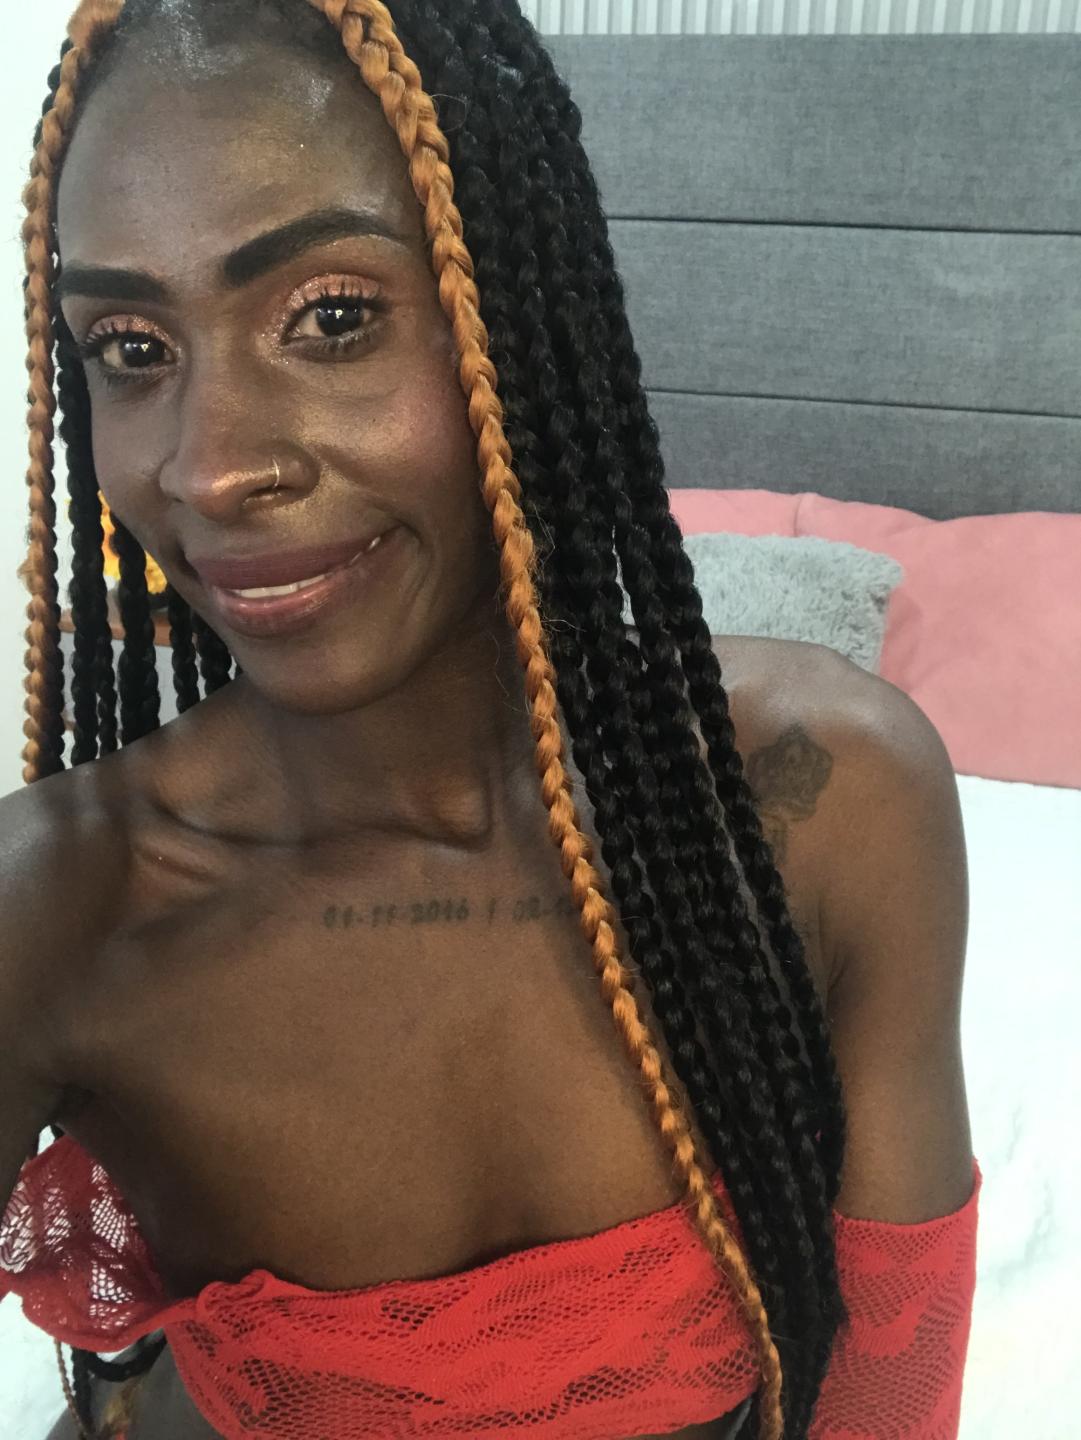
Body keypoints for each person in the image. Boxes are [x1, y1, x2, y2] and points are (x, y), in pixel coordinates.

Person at [1, 2, 980, 1438]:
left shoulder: (820, 798)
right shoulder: (58, 901)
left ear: (521, 324)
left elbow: (888, 1379)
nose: (209, 469)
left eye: (332, 318)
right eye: (132, 346)